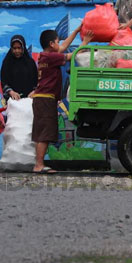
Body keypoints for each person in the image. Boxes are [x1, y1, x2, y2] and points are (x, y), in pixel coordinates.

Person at [31, 26, 93, 174]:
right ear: (52, 44)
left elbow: (64, 47)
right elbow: (70, 55)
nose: (60, 44)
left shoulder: (45, 56)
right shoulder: (52, 58)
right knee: (45, 133)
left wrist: (76, 31)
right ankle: (38, 165)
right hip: (45, 100)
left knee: (43, 132)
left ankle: (38, 163)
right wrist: (85, 42)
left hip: (43, 99)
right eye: (57, 41)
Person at [0, 35, 39, 101]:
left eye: (19, 48)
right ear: (11, 48)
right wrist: (11, 92)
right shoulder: (7, 62)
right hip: (13, 100)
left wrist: (34, 92)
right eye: (14, 48)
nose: (17, 51)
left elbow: (36, 80)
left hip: (29, 99)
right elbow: (4, 82)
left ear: (23, 47)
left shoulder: (30, 62)